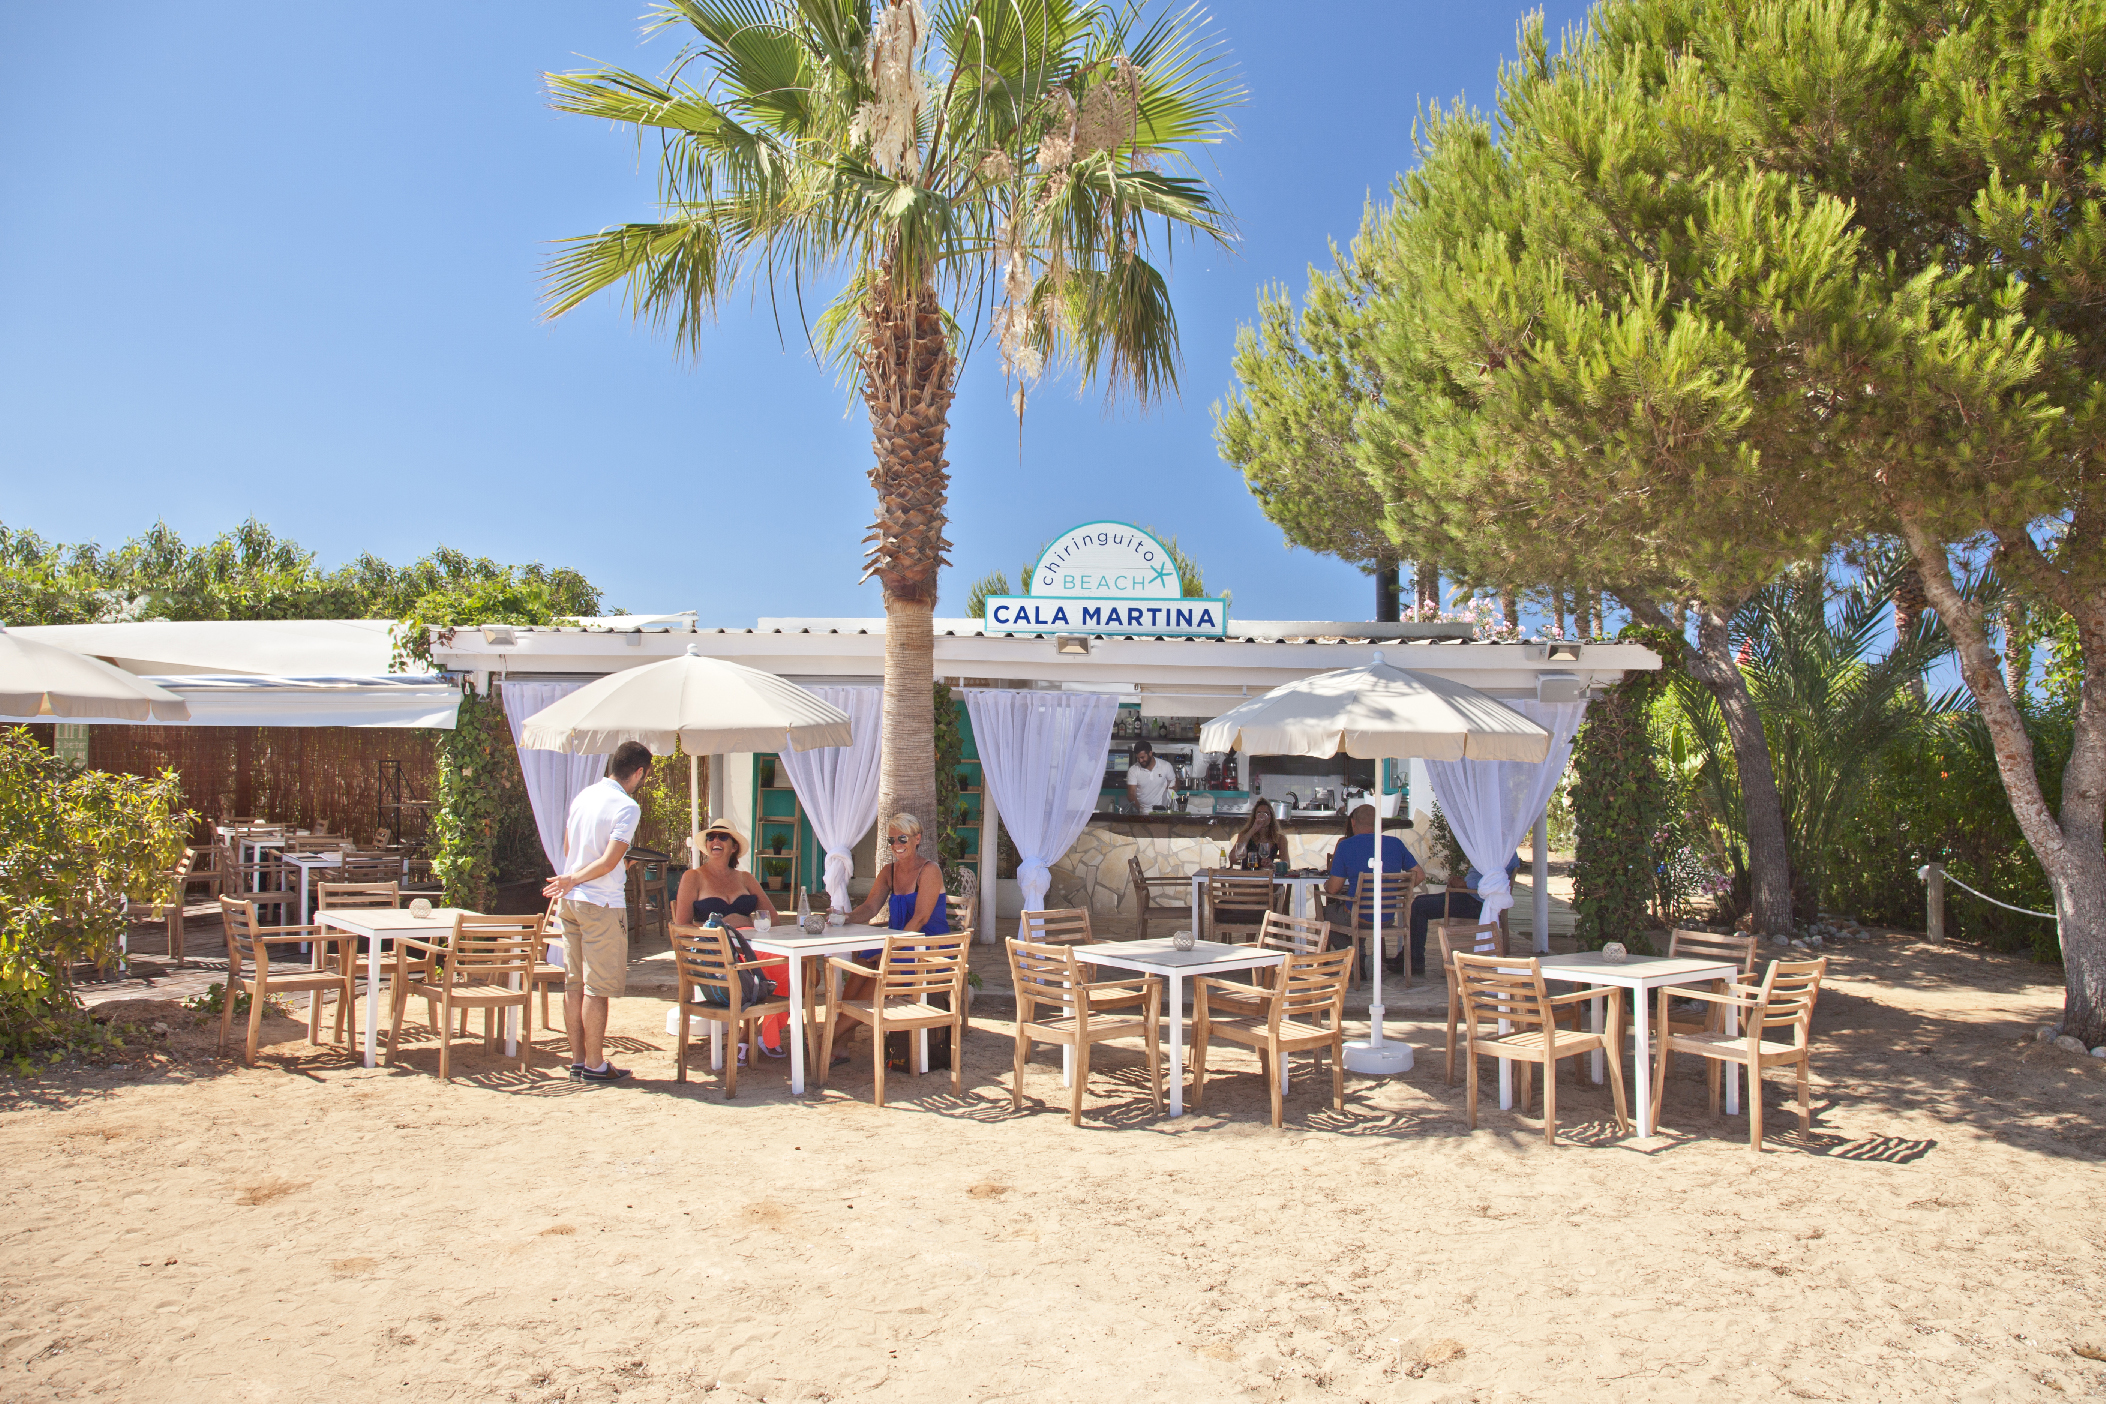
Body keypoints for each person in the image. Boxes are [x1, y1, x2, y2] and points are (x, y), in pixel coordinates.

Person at [543, 740, 653, 1084]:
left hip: (571, 901)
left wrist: (572, 878)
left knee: (573, 983)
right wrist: (584, 875)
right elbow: (607, 862)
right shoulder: (626, 806)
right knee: (597, 987)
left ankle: (578, 1061)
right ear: (638, 772)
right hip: (601, 901)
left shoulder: (584, 796)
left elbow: (568, 848)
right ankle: (594, 1064)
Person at [676, 819, 789, 1058]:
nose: (715, 841)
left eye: (722, 837)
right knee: (784, 970)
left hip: (751, 945)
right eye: (711, 837)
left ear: (733, 846)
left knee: (794, 969)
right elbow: (682, 926)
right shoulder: (693, 877)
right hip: (717, 952)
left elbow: (773, 919)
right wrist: (718, 930)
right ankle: (759, 1036)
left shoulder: (745, 878)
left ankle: (752, 1033)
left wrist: (744, 924)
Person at [1323, 803, 1423, 952]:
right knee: (1349, 912)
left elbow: (1333, 889)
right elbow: (1419, 875)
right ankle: (1360, 957)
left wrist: (1326, 885)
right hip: (1387, 918)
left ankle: (1356, 959)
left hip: (1358, 918)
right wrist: (1395, 890)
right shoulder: (1396, 844)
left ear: (1353, 822)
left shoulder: (1346, 846)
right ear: (1379, 824)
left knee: (1326, 914)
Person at [1402, 854, 1520, 976]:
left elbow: (1490, 884)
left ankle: (1414, 961)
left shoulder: (1502, 854)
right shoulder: (1499, 850)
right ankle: (1408, 957)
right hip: (1471, 895)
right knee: (1420, 901)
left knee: (1421, 906)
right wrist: (1462, 881)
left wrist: (1464, 884)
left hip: (1477, 902)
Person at [1227, 798, 1289, 870]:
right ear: (1254, 817)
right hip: (1247, 878)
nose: (1262, 817)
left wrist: (1273, 866)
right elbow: (1233, 858)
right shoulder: (1245, 835)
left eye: (1266, 814)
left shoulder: (1279, 838)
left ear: (1271, 817)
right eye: (1259, 813)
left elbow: (1287, 864)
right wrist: (1253, 829)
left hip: (1267, 878)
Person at [1125, 740, 1174, 813]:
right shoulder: (1133, 770)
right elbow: (1131, 795)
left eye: (1142, 757)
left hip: (1162, 811)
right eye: (1138, 758)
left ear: (1150, 753)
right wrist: (1141, 810)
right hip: (1142, 811)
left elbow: (1174, 783)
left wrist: (1174, 787)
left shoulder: (1165, 766)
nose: (1140, 761)